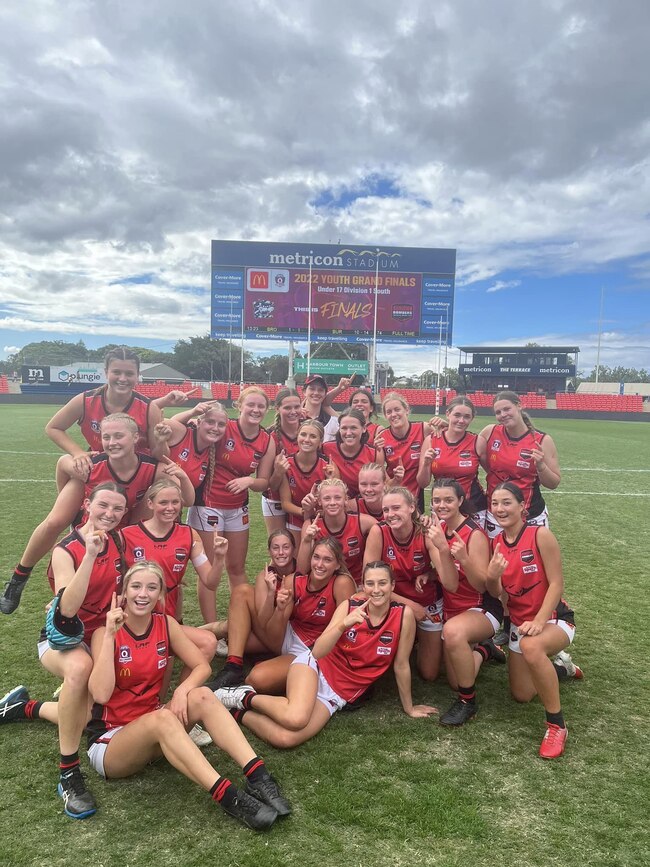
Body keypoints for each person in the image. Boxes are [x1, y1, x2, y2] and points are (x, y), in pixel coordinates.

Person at [84, 562, 290, 828]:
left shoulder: (165, 624)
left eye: (151, 587)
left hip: (155, 730)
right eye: (135, 586)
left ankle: (259, 776)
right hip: (111, 743)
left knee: (202, 695)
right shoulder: (104, 633)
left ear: (160, 595)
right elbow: (100, 694)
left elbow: (202, 666)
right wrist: (111, 636)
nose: (142, 594)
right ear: (124, 593)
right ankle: (229, 797)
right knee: (163, 718)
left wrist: (182, 690)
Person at [0, 483, 128, 818]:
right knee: (80, 669)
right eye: (103, 506)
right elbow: (68, 609)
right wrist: (89, 554)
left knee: (85, 718)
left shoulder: (120, 539)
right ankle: (68, 772)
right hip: (63, 640)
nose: (109, 514)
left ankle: (23, 707)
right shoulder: (66, 550)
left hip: (101, 633)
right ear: (87, 503)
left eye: (117, 509)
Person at [213, 561, 437, 748]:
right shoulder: (350, 606)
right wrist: (343, 625)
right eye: (370, 583)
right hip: (315, 666)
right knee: (295, 718)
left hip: (340, 692)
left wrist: (409, 708)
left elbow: (401, 665)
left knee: (285, 738)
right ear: (363, 585)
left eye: (382, 583)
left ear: (392, 585)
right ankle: (241, 696)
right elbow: (318, 650)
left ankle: (236, 711)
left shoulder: (403, 616)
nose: (376, 589)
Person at [1, 413, 193, 615]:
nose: (112, 442)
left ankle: (168, 623)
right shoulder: (92, 464)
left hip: (123, 533)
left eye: (119, 436)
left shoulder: (153, 468)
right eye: (106, 437)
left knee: (143, 579)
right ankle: (19, 577)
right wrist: (72, 506)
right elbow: (63, 463)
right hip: (92, 533)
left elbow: (181, 497)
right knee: (55, 522)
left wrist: (179, 475)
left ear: (136, 438)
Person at [486, 482, 582, 759]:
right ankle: (563, 668)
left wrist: (541, 620)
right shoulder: (496, 543)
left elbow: (556, 584)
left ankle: (556, 725)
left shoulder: (540, 535)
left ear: (521, 507)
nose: (500, 509)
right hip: (521, 623)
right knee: (521, 694)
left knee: (531, 647)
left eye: (506, 502)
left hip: (553, 618)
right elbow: (498, 593)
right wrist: (492, 576)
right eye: (495, 503)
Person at [186, 386, 276, 621]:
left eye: (261, 406)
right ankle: (213, 628)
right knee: (210, 571)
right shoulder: (225, 426)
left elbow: (264, 482)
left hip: (238, 508)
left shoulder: (266, 440)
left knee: (236, 568)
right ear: (240, 406)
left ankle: (240, 624)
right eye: (251, 405)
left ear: (267, 410)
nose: (256, 410)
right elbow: (191, 435)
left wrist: (250, 480)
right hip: (208, 504)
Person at [121, 480, 222, 671]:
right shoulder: (127, 535)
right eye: (163, 502)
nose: (170, 508)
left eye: (175, 502)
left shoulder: (189, 534)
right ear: (150, 504)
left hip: (168, 617)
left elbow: (210, 581)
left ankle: (180, 697)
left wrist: (219, 558)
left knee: (203, 645)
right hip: (133, 616)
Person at [427, 479, 505, 727]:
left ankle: (467, 702)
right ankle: (485, 650)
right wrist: (441, 549)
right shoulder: (436, 533)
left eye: (448, 500)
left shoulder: (475, 534)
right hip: (454, 607)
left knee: (453, 633)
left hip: (482, 606)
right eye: (437, 500)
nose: (442, 505)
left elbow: (482, 585)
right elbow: (449, 583)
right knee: (456, 677)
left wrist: (464, 559)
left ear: (460, 501)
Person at [44, 346, 188, 478]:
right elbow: (53, 428)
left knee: (170, 478)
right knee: (67, 470)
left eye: (129, 373)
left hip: (137, 473)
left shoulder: (150, 409)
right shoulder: (85, 401)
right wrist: (78, 453)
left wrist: (162, 442)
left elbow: (159, 456)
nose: (122, 379)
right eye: (116, 372)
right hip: (97, 469)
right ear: (106, 372)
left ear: (137, 375)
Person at [363, 487, 457, 681]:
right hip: (391, 600)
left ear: (412, 507)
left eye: (396, 508)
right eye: (386, 510)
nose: (390, 514)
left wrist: (443, 549)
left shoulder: (424, 532)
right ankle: (405, 637)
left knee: (429, 674)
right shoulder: (378, 532)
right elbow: (369, 585)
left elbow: (450, 584)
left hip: (427, 602)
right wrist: (410, 606)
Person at [244, 537, 356, 695]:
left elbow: (345, 631)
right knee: (238, 638)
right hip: (289, 636)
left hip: (313, 649)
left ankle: (294, 673)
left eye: (327, 560)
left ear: (337, 564)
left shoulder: (341, 583)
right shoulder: (293, 581)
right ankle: (231, 662)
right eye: (316, 557)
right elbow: (274, 634)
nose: (319, 564)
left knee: (256, 679)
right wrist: (280, 611)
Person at [206, 529, 298, 690]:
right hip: (268, 632)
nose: (281, 552)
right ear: (269, 551)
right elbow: (263, 620)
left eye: (286, 547)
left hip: (289, 637)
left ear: (294, 549)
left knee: (233, 628)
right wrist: (271, 594)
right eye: (275, 548)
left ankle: (175, 633)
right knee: (237, 632)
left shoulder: (301, 573)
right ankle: (233, 666)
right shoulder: (265, 575)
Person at [478, 390, 561, 538]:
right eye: (498, 412)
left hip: (530, 515)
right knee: (496, 559)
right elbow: (467, 445)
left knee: (531, 560)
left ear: (519, 406)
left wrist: (541, 467)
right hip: (496, 515)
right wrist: (448, 425)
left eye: (507, 409)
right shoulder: (490, 432)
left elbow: (553, 483)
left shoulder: (542, 440)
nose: (503, 414)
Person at [417, 397, 487, 525]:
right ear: (448, 414)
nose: (461, 420)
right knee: (441, 543)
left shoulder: (478, 442)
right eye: (457, 415)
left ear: (472, 418)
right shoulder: (431, 440)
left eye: (466, 416)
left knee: (474, 543)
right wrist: (426, 464)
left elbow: (493, 473)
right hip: (442, 507)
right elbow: (422, 483)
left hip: (474, 506)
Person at [298, 477, 376, 587]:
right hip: (324, 586)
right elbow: (302, 570)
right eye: (327, 498)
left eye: (338, 498)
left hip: (357, 585)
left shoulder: (363, 522)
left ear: (346, 500)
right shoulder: (311, 525)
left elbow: (385, 536)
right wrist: (307, 540)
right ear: (319, 501)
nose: (332, 503)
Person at [277, 419, 335, 547]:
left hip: (322, 520)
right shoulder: (287, 464)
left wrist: (331, 480)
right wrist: (305, 512)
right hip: (296, 519)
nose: (307, 439)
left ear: (320, 442)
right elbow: (285, 504)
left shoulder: (328, 466)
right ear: (297, 437)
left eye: (313, 436)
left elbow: (335, 501)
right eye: (303, 434)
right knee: (297, 562)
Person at [152, 400, 229, 494]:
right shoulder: (182, 432)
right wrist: (192, 412)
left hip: (173, 505)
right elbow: (159, 424)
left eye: (221, 424)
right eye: (210, 422)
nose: (215, 428)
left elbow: (188, 500)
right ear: (199, 422)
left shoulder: (212, 448)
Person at [375, 392, 433, 510]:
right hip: (394, 491)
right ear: (385, 416)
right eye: (389, 412)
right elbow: (380, 470)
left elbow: (447, 437)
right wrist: (392, 481)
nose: (393, 414)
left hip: (417, 491)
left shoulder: (423, 428)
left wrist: (445, 424)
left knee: (416, 526)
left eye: (397, 409)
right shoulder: (382, 437)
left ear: (406, 410)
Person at [262, 388, 303, 534]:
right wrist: (279, 472)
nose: (293, 411)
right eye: (287, 407)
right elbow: (268, 485)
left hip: (301, 499)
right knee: (279, 549)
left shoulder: (308, 431)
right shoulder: (269, 437)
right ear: (277, 408)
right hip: (275, 500)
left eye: (297, 406)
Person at [322, 408, 384, 499]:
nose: (348, 433)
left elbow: (382, 486)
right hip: (335, 503)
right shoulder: (326, 449)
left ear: (363, 428)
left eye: (353, 428)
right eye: (344, 428)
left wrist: (397, 479)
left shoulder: (374, 454)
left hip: (365, 503)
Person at [301, 375, 340, 443]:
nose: (316, 393)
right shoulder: (295, 419)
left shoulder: (332, 422)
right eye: (312, 389)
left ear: (325, 394)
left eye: (320, 390)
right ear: (304, 391)